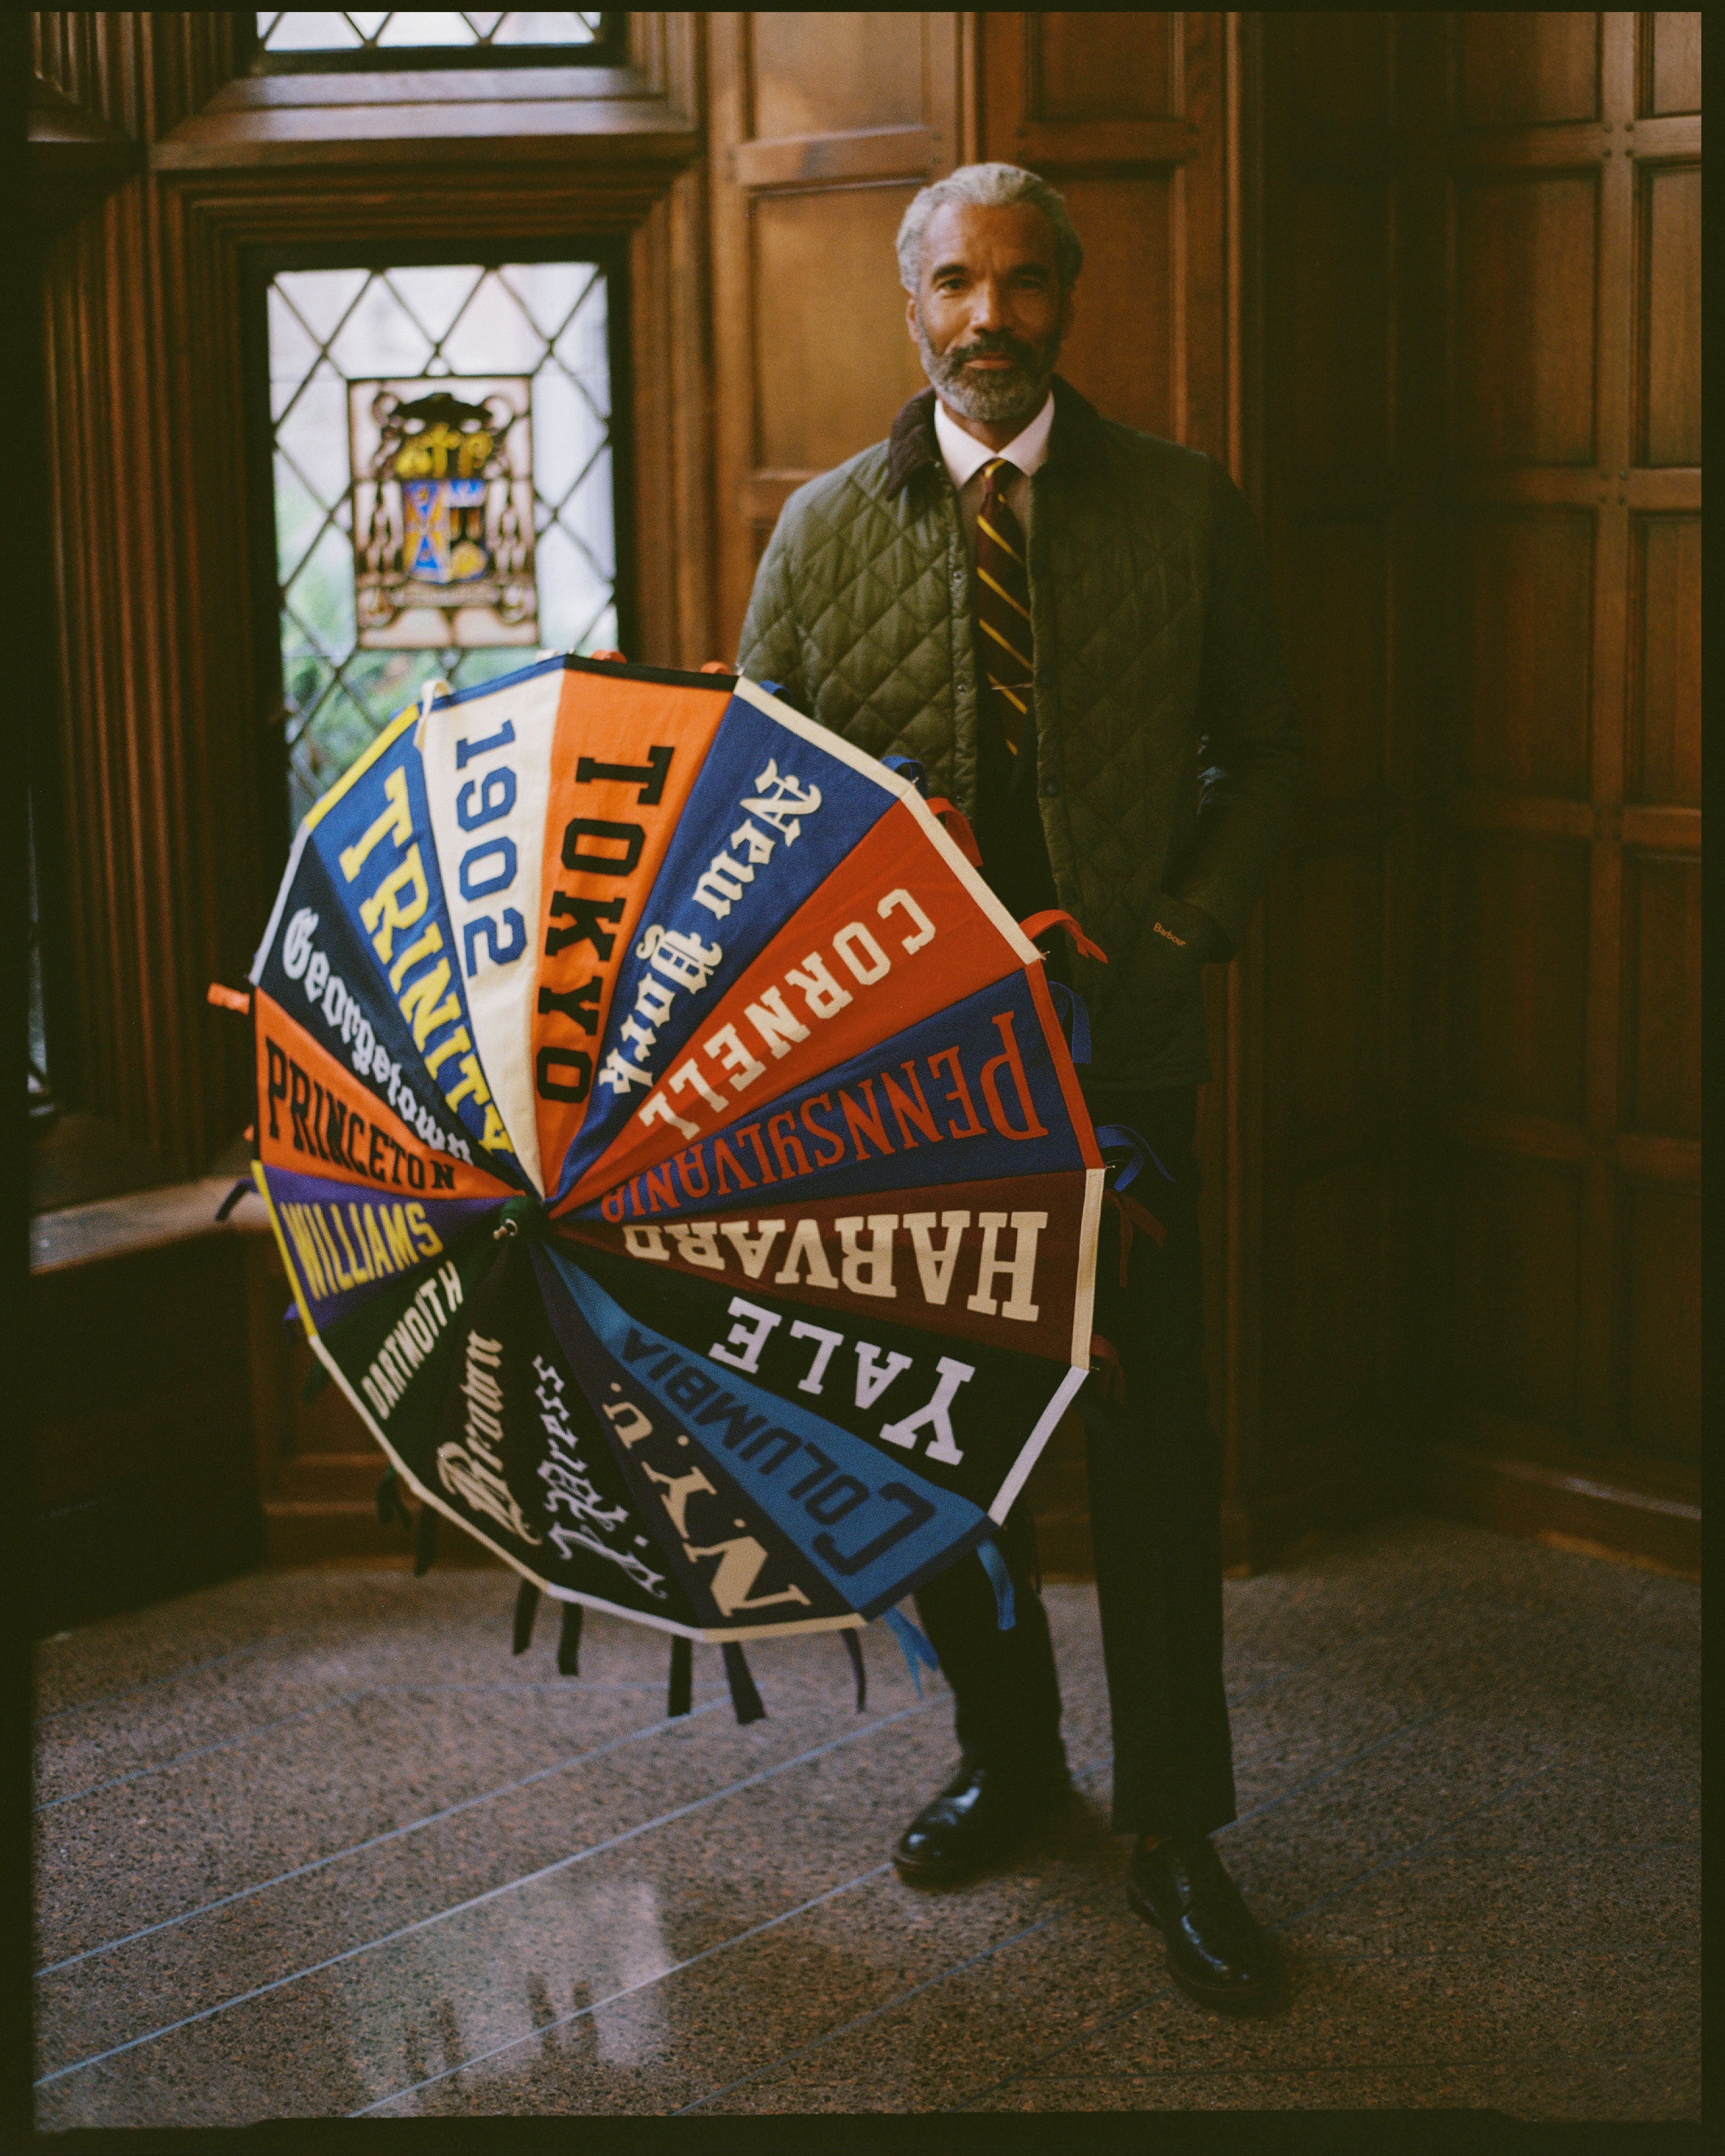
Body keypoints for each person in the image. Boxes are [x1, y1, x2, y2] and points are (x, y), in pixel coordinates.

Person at [734, 163, 1304, 2013]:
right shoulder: (820, 535)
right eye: (956, 285)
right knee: (932, 1446)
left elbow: (1263, 758)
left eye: (1026, 284)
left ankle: (1174, 1827)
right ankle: (1008, 1757)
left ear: (1069, 297)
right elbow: (755, 807)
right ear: (910, 303)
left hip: (1120, 1060)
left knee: (1147, 1450)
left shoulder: (1186, 513)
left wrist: (1177, 940)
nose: (990, 319)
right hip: (901, 1087)